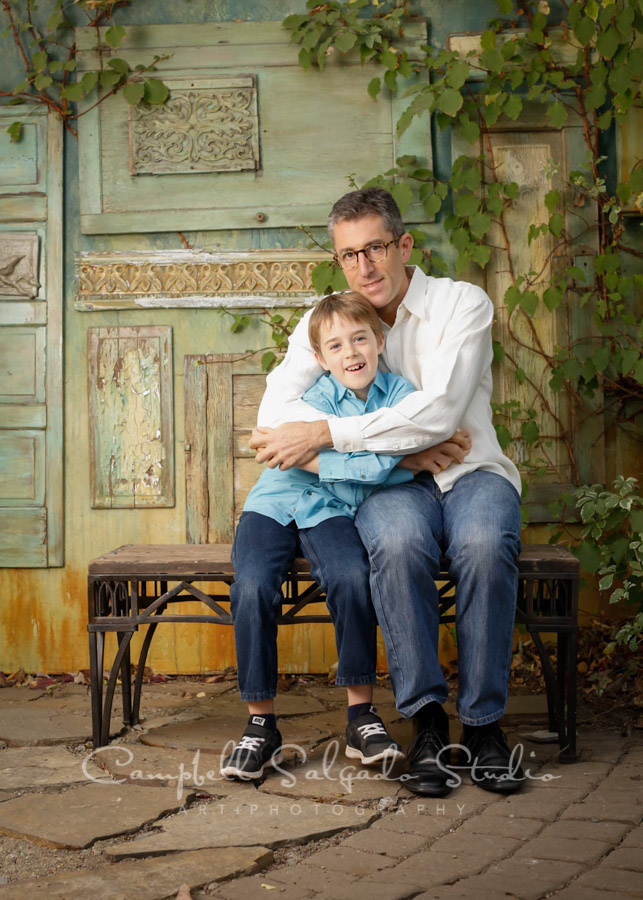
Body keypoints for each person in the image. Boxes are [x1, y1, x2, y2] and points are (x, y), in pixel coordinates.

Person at [249, 187, 524, 796]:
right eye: (349, 255)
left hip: (471, 470)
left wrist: (325, 431)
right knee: (395, 548)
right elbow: (275, 413)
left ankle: (483, 726)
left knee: (482, 543)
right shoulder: (334, 319)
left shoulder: (462, 304)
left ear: (404, 245)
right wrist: (401, 453)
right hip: (395, 487)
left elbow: (441, 412)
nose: (364, 266)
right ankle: (426, 722)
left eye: (375, 248)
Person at [221, 291, 469, 781]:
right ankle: (260, 723)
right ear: (320, 358)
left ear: (380, 340)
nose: (351, 353)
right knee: (251, 586)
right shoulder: (313, 400)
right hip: (273, 503)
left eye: (360, 339)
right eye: (336, 346)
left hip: (331, 510)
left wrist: (399, 456)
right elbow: (291, 455)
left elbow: (400, 441)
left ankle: (360, 715)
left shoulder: (400, 397)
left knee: (353, 576)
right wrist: (404, 461)